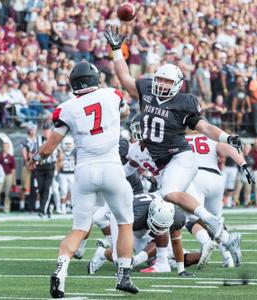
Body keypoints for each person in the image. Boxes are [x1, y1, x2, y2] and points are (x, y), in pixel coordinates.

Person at [106, 25, 243, 250]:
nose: (162, 84)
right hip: (164, 165)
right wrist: (116, 49)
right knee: (176, 211)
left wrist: (226, 138)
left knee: (169, 196)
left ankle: (210, 224)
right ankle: (226, 240)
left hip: (180, 159)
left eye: (168, 82)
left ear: (177, 85)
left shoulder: (184, 102)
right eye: (160, 80)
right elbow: (124, 77)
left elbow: (205, 127)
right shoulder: (147, 90)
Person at [29, 61, 138, 297]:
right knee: (124, 222)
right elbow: (126, 111)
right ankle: (123, 275)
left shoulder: (66, 108)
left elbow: (49, 147)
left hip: (85, 171)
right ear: (96, 79)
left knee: (79, 228)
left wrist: (35, 158)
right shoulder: (112, 94)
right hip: (111, 167)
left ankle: (61, 271)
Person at [185, 132, 254, 268]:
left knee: (191, 219)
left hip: (194, 177)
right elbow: (229, 149)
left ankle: (207, 243)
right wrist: (243, 164)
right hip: (216, 178)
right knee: (216, 220)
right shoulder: (210, 138)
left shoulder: (180, 138)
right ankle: (228, 258)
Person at [0, 142, 16, 213]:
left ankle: (6, 208)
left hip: (8, 175)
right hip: (0, 176)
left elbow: (13, 169)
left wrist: (14, 180)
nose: (5, 148)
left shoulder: (11, 157)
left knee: (7, 193)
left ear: (8, 148)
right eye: (4, 146)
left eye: (7, 147)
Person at [57, 136, 75, 214]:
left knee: (73, 191)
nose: (68, 146)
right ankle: (63, 206)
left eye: (69, 144)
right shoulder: (60, 152)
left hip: (72, 174)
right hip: (63, 174)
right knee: (63, 190)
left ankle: (72, 206)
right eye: (66, 144)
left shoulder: (75, 152)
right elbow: (57, 163)